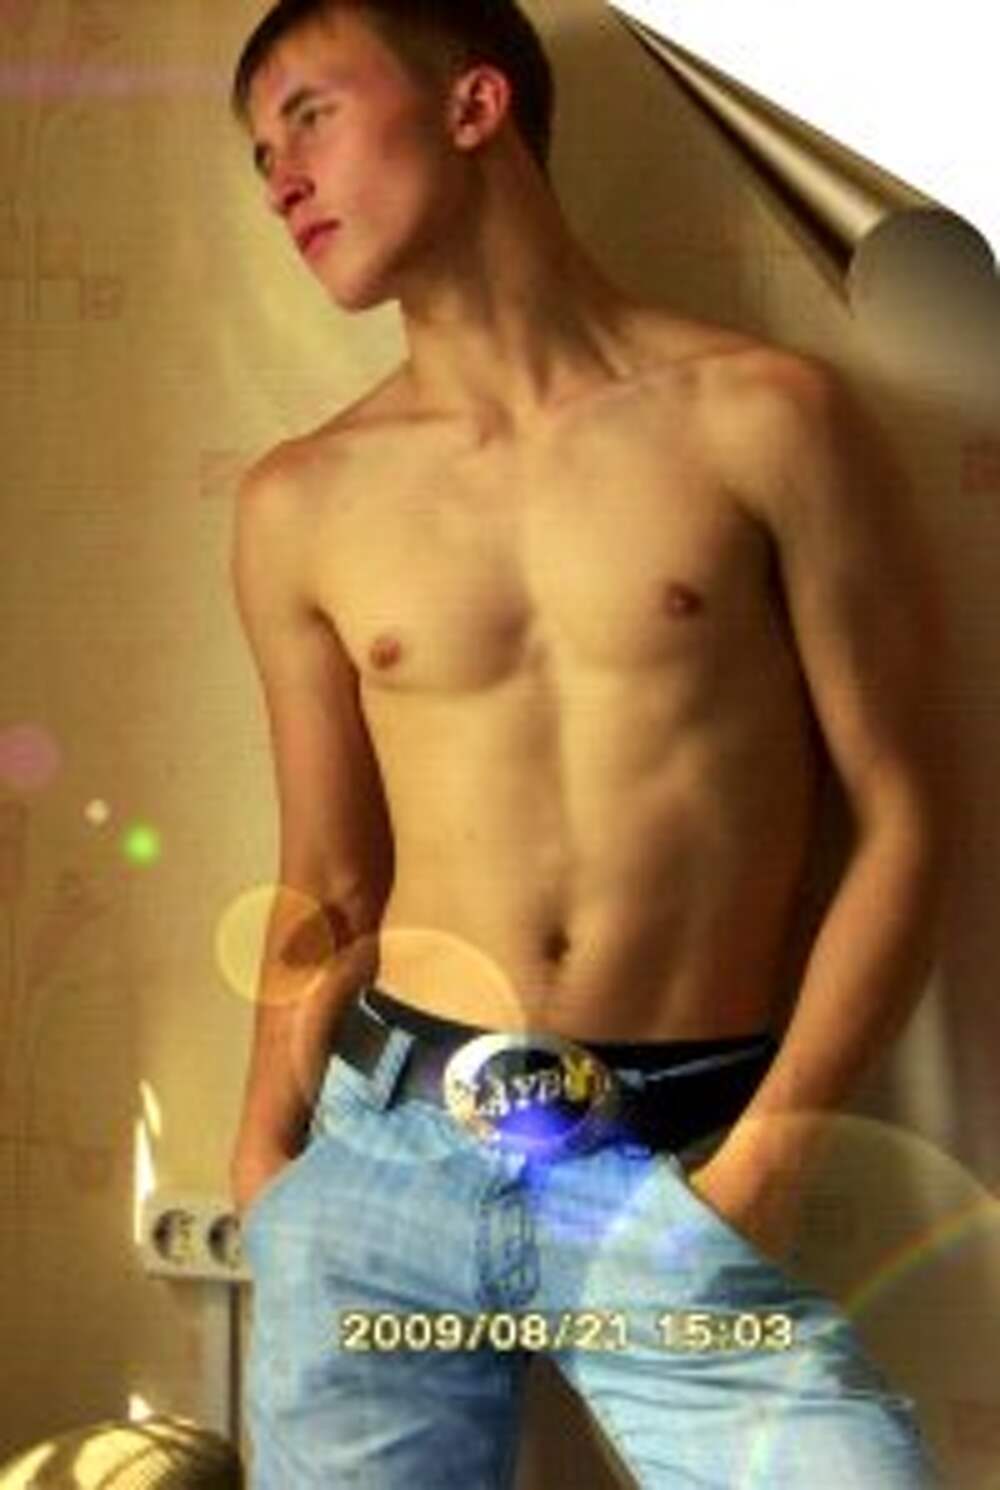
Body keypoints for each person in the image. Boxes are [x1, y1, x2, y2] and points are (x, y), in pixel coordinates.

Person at [226, 1, 947, 1484]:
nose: (280, 177)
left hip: (668, 1164)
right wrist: (264, 1165)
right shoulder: (300, 500)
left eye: (308, 116)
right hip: (380, 1160)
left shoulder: (766, 419)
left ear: (474, 103)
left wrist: (771, 1153)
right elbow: (330, 883)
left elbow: (906, 820)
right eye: (259, 155)